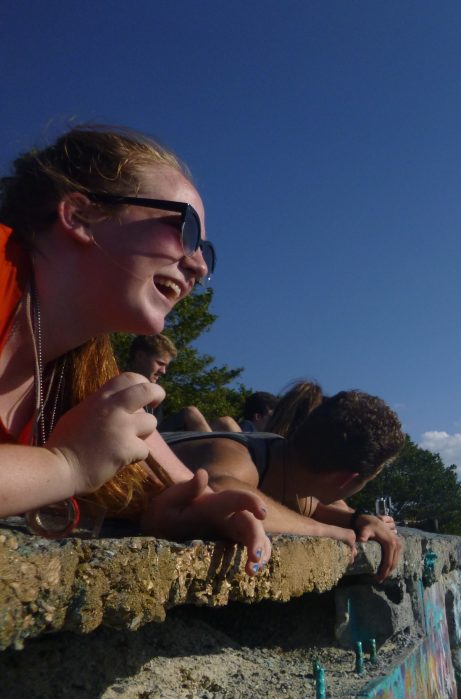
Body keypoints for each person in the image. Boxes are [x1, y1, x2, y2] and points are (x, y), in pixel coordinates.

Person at [0, 125, 270, 574]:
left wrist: (172, 512)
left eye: (206, 251)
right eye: (185, 229)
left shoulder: (86, 370)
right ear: (80, 217)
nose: (199, 266)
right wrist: (66, 465)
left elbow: (195, 492)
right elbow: (72, 463)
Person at [167, 384, 404, 580]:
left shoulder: (286, 466)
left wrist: (358, 520)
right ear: (346, 479)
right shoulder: (241, 457)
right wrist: (322, 531)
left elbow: (309, 507)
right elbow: (222, 492)